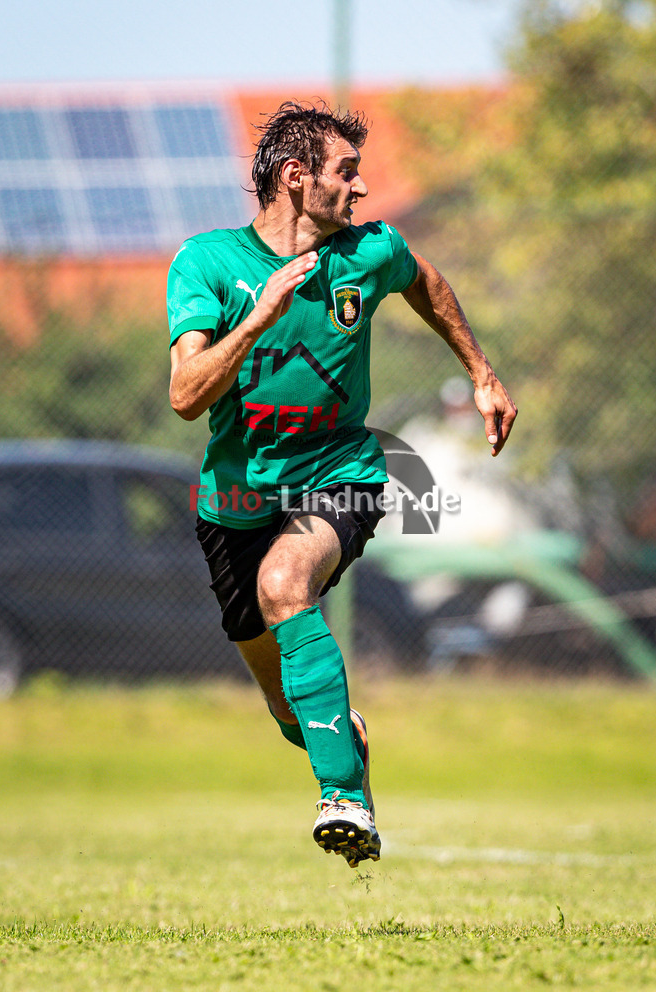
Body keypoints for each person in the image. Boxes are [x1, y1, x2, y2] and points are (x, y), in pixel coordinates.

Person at [167, 101, 517, 868]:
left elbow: (423, 279)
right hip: (234, 502)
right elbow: (187, 395)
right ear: (296, 178)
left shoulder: (368, 253)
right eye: (346, 172)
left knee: (286, 581)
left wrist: (481, 374)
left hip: (342, 472)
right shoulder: (206, 264)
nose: (360, 189)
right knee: (291, 710)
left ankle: (343, 799)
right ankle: (339, 743)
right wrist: (257, 318)